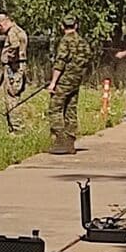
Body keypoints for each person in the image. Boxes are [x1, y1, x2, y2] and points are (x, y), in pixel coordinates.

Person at [47, 16, 88, 155]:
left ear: (61, 26)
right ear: (76, 25)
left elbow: (60, 63)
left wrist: (53, 82)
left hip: (65, 79)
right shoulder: (82, 41)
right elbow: (87, 58)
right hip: (76, 79)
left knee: (55, 108)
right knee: (71, 108)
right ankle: (70, 142)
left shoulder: (65, 41)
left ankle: (60, 140)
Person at [0, 12, 29, 132]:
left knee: (11, 99)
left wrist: (9, 57)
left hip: (14, 68)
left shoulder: (12, 32)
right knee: (15, 97)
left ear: (2, 23)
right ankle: (14, 127)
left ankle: (16, 129)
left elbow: (15, 45)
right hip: (18, 68)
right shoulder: (19, 30)